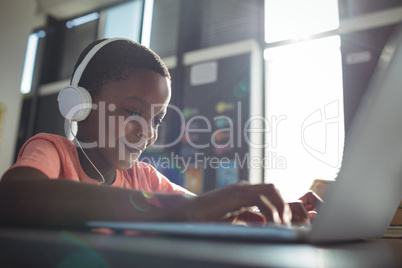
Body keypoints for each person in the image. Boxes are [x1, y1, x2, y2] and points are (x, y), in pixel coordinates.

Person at [0, 38, 321, 229]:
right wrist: (183, 209)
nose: (148, 133)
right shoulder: (54, 151)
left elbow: (202, 207)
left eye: (157, 119)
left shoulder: (145, 178)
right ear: (80, 105)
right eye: (133, 112)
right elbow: (12, 197)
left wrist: (266, 211)